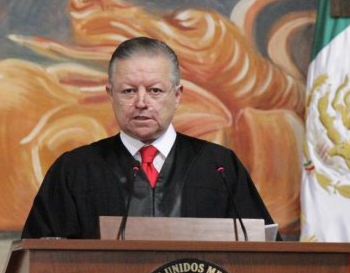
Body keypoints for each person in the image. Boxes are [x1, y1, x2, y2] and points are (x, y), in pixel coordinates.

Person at [21, 36, 277, 239]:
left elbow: (262, 255)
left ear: (177, 95)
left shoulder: (218, 167)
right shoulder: (75, 170)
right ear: (110, 95)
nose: (141, 102)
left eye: (155, 90)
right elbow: (42, 263)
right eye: (128, 91)